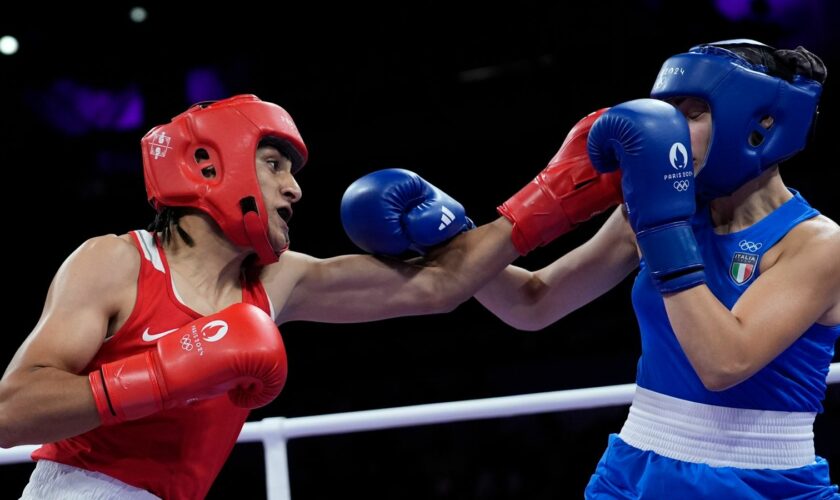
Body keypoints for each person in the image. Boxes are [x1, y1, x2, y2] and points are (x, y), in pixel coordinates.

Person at [0, 94, 622, 499]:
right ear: (209, 166)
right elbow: (9, 414)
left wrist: (550, 199)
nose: (295, 190)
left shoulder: (278, 280)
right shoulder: (117, 261)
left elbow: (441, 285)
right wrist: (161, 374)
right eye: (275, 165)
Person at [470, 39, 840, 498]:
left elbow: (725, 362)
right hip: (634, 468)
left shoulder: (818, 244)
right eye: (667, 114)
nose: (671, 132)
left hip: (759, 481)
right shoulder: (649, 213)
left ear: (761, 124)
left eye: (692, 114)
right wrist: (454, 241)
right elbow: (533, 302)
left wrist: (662, 227)